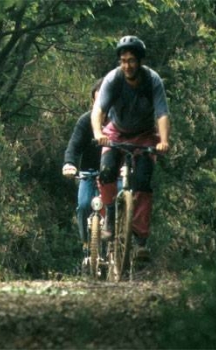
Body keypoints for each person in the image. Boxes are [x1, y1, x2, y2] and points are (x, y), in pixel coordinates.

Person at [91, 35, 170, 260]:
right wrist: (98, 133)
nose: (127, 65)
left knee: (143, 183)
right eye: (123, 61)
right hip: (116, 132)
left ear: (140, 62)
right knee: (106, 173)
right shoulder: (113, 80)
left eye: (132, 61)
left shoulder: (152, 80)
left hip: (145, 135)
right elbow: (99, 110)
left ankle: (140, 240)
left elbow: (162, 114)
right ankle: (110, 216)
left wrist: (163, 140)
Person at [62, 78, 103, 254]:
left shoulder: (119, 121)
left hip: (114, 172)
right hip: (89, 172)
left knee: (117, 204)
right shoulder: (85, 121)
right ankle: (87, 242)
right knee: (84, 204)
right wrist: (69, 163)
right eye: (98, 101)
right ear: (93, 101)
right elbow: (74, 145)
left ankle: (119, 239)